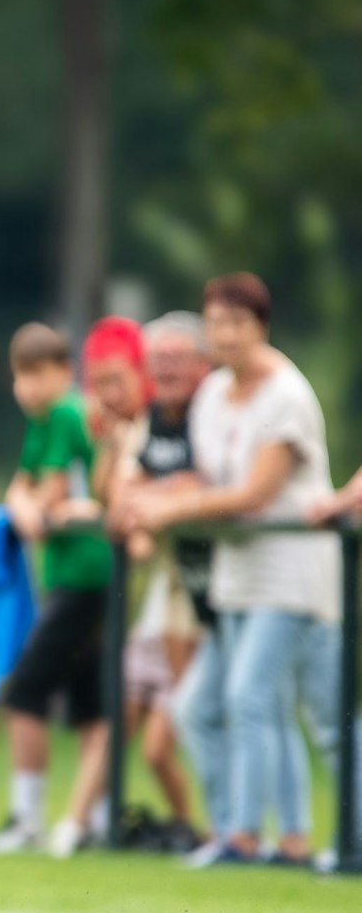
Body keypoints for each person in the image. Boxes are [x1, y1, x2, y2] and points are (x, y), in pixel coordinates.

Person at [126, 273, 338, 867]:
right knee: (205, 706)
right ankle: (262, 835)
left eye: (237, 323)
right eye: (216, 322)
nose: (225, 334)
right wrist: (148, 495)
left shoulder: (287, 395)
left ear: (261, 327)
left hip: (291, 570)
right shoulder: (214, 393)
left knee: (259, 700)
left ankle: (254, 838)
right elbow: (202, 476)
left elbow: (252, 494)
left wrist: (169, 507)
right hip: (235, 572)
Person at [0, 323, 113, 858]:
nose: (30, 387)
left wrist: (26, 506)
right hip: (70, 576)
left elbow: (46, 495)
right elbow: (22, 490)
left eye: (40, 374)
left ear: (64, 373)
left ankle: (27, 819)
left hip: (86, 573)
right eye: (21, 375)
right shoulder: (41, 420)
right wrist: (23, 503)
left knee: (24, 692)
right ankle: (97, 821)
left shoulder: (64, 412)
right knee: (91, 706)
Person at [102, 312, 212, 852]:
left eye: (177, 359)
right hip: (176, 588)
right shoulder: (151, 419)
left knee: (202, 719)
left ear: (202, 364)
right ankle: (208, 832)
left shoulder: (214, 410)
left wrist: (152, 502)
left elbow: (210, 480)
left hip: (224, 585)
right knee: (168, 731)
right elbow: (123, 494)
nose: (166, 370)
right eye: (158, 360)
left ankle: (230, 833)